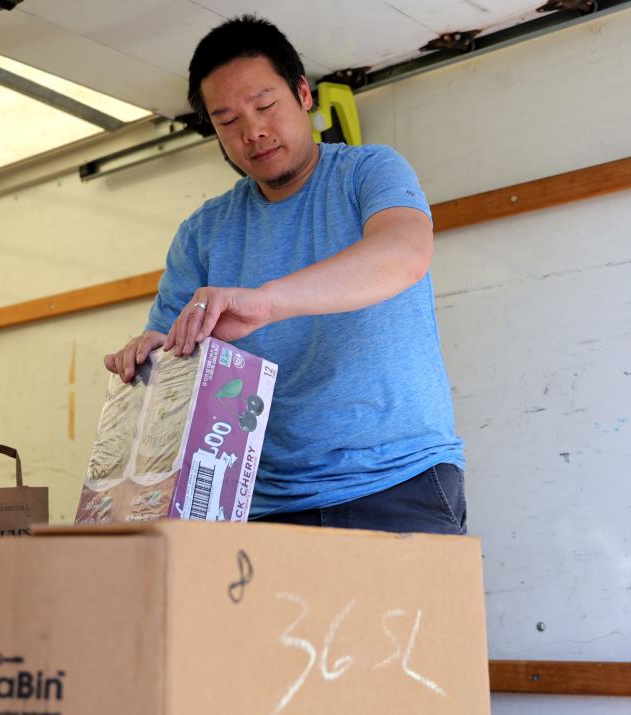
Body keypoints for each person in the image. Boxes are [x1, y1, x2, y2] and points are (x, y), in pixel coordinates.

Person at [103, 15, 466, 534]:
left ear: (303, 94)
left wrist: (267, 302)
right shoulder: (203, 232)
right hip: (259, 500)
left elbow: (403, 253)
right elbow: (171, 353)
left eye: (265, 105)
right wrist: (143, 360)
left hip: (396, 480)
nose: (252, 131)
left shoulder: (369, 172)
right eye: (227, 121)